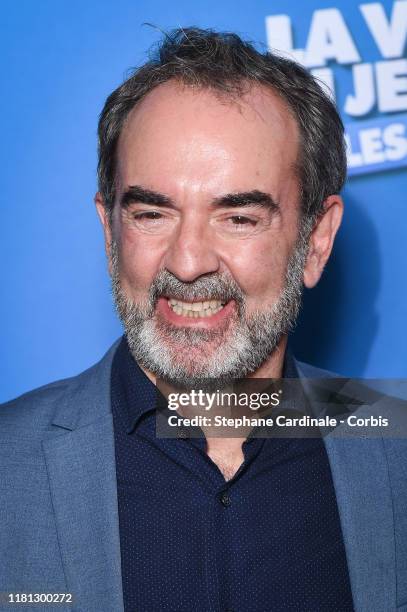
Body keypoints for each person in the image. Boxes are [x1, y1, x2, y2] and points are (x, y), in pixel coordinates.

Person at [1, 27, 406, 612]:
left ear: (316, 240)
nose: (187, 262)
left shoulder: (392, 449)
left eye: (238, 217)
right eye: (150, 213)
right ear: (109, 230)